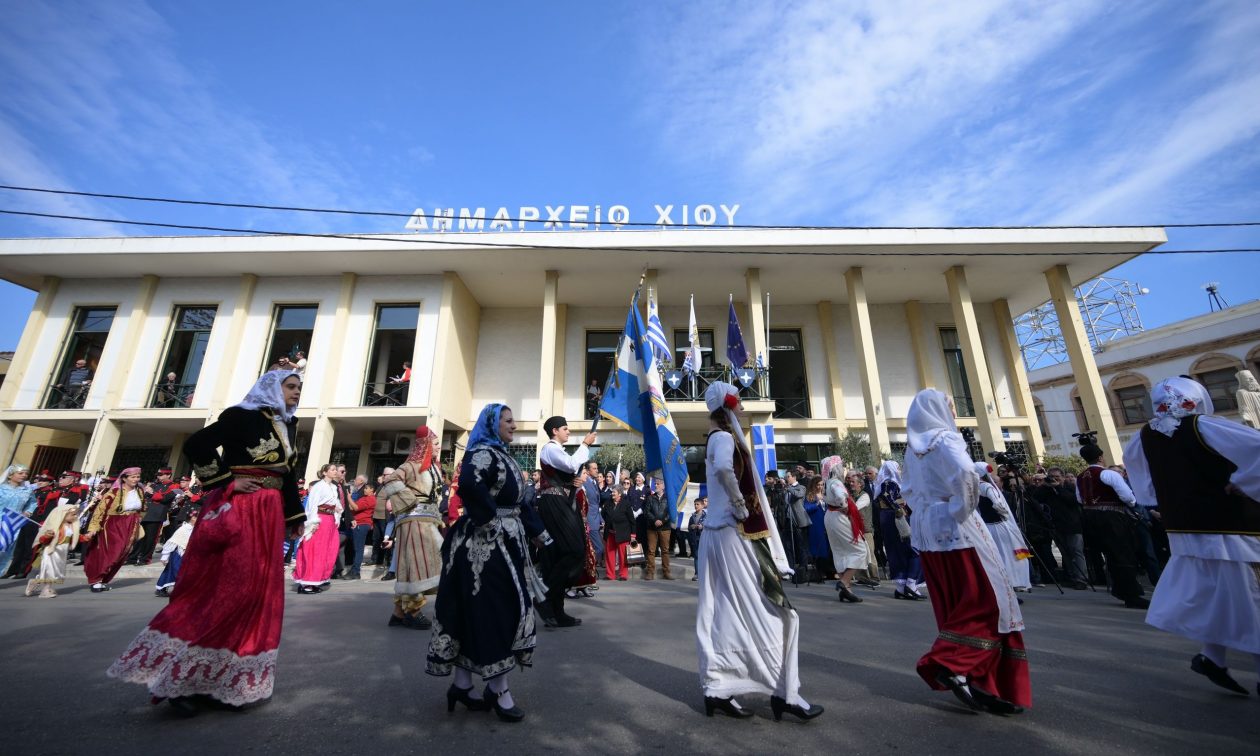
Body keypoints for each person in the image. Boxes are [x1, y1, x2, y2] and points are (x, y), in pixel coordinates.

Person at [108, 369, 304, 716]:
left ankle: (220, 681)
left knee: (257, 593)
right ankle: (179, 679)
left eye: (299, 388)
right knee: (228, 590)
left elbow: (287, 476)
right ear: (272, 388)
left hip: (269, 512)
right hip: (241, 506)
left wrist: (294, 519)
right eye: (290, 386)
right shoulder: (239, 415)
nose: (296, 392)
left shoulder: (289, 424)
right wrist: (227, 481)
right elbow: (196, 444)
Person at [1123, 376, 1260, 698]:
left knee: (1223, 596)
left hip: (1187, 529)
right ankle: (1217, 659)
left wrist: (1166, 499)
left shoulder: (1143, 437)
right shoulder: (1205, 427)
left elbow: (1142, 485)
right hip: (1229, 528)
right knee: (1247, 597)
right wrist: (1243, 480)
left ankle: (1212, 657)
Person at [695, 381, 823, 722]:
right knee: (774, 609)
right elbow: (724, 469)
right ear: (727, 409)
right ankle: (785, 692)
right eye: (739, 405)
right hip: (732, 533)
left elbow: (723, 470)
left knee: (722, 610)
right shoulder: (723, 438)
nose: (744, 410)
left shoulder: (714, 438)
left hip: (719, 533)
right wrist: (739, 504)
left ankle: (718, 687)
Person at [903, 388, 1030, 716]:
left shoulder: (912, 448)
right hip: (958, 526)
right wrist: (961, 509)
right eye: (950, 405)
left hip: (931, 528)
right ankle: (952, 661)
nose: (954, 411)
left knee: (955, 597)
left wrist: (927, 515)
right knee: (987, 599)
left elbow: (910, 490)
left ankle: (984, 683)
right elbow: (965, 474)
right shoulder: (946, 439)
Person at [426, 404, 546, 723]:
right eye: (508, 421)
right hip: (483, 547)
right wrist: (491, 521)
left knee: (483, 611)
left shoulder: (503, 455)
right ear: (493, 423)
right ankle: (499, 689)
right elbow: (468, 486)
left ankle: (463, 684)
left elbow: (519, 503)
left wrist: (540, 534)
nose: (515, 425)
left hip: (505, 543)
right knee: (496, 611)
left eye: (514, 420)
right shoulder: (481, 452)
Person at [379, 426, 446, 629]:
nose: (439, 447)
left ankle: (399, 613)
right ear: (425, 445)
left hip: (427, 520)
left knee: (417, 564)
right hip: (414, 520)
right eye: (435, 443)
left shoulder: (432, 467)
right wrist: (409, 501)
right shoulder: (410, 465)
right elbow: (390, 481)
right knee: (418, 564)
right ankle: (413, 612)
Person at [1077, 445, 1149, 609]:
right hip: (1112, 517)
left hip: (1090, 517)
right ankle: (1131, 594)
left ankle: (1120, 588)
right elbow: (1127, 496)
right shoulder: (1107, 473)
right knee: (1122, 553)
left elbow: (1080, 499)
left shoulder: (1081, 476)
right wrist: (1130, 504)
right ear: (1101, 457)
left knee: (1110, 555)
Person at [83, 468, 146, 593]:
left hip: (131, 523)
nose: (136, 480)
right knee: (111, 552)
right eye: (133, 477)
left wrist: (138, 521)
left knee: (123, 552)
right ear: (124, 478)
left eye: (138, 477)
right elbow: (100, 511)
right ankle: (96, 579)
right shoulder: (114, 492)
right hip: (114, 524)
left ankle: (104, 579)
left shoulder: (139, 491)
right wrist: (94, 528)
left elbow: (142, 508)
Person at [975, 463, 1032, 594]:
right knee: (1010, 556)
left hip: (988, 527)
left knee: (999, 556)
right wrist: (1004, 514)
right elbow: (998, 504)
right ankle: (1012, 583)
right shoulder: (987, 486)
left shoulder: (975, 488)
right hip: (1000, 526)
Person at [873, 460, 925, 600]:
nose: (900, 470)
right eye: (897, 468)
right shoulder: (890, 483)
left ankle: (901, 587)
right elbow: (888, 496)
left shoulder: (884, 484)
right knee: (915, 550)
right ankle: (911, 583)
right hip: (896, 520)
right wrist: (899, 509)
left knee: (898, 553)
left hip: (889, 520)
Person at [822, 458, 868, 603]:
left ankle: (846, 590)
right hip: (838, 516)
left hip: (830, 515)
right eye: (841, 466)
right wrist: (846, 507)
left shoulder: (827, 483)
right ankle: (844, 581)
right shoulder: (836, 483)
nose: (843, 469)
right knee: (860, 549)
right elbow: (841, 497)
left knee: (840, 551)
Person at [293, 463, 342, 594]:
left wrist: (337, 510)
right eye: (332, 470)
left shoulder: (333, 486)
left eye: (335, 470)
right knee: (315, 550)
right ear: (325, 472)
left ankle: (318, 579)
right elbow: (312, 504)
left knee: (328, 550)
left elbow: (335, 503)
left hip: (330, 521)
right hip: (320, 519)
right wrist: (313, 523)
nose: (335, 471)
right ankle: (307, 583)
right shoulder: (318, 486)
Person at [25, 500, 80, 598]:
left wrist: (86, 537)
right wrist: (47, 536)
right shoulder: (55, 527)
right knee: (49, 571)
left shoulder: (71, 526)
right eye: (73, 514)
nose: (75, 517)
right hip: (51, 552)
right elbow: (43, 540)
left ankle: (35, 582)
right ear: (63, 515)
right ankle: (45, 590)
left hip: (62, 553)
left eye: (76, 514)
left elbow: (75, 537)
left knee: (55, 571)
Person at [0, 464, 37, 576]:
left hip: (14, 524)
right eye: (20, 473)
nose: (24, 475)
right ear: (11, 475)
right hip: (1, 520)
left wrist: (27, 512)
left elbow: (33, 503)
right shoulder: (1, 488)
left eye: (26, 473)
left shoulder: (27, 491)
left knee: (6, 552)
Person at [154, 509, 197, 598]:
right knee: (178, 571)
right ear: (192, 518)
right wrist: (165, 556)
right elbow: (172, 542)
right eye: (196, 517)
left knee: (172, 571)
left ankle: (163, 589)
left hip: (187, 554)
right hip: (178, 554)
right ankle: (178, 589)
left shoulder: (195, 528)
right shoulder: (183, 529)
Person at [644, 475, 676, 580]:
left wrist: (662, 521)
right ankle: (650, 572)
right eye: (655, 484)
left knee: (665, 550)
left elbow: (671, 512)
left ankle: (666, 572)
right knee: (651, 550)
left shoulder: (669, 498)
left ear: (663, 486)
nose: (656, 485)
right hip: (652, 528)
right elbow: (646, 512)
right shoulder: (650, 498)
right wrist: (655, 520)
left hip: (665, 528)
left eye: (658, 484)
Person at [601, 487, 635, 581]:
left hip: (623, 533)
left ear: (619, 494)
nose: (612, 494)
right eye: (612, 492)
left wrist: (633, 535)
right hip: (610, 533)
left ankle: (623, 574)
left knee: (623, 555)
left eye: (614, 492)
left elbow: (632, 520)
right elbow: (603, 514)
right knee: (610, 555)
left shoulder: (626, 504)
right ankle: (610, 575)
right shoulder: (608, 503)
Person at [687, 497, 707, 579]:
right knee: (696, 556)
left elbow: (709, 526)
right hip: (695, 538)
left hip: (703, 538)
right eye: (695, 504)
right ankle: (697, 573)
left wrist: (702, 526)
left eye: (698, 504)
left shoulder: (706, 516)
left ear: (702, 506)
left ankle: (705, 573)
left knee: (705, 556)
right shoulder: (692, 516)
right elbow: (689, 526)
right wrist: (692, 526)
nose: (696, 506)